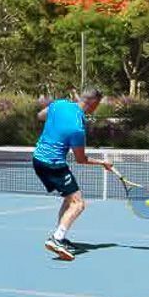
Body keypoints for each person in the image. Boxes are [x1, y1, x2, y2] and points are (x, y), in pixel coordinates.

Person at [33, 87, 115, 261]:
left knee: (69, 198)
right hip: (53, 164)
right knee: (78, 204)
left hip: (37, 160)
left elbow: (40, 115)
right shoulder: (77, 128)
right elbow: (81, 159)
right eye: (98, 104)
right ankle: (57, 239)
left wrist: (55, 124)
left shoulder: (59, 104)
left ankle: (59, 235)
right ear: (93, 103)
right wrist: (103, 163)